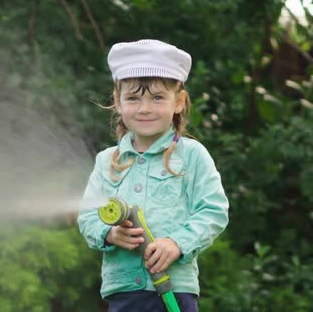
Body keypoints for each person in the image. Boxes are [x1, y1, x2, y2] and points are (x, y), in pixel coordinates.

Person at [77, 39, 229, 312]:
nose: (144, 108)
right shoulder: (106, 162)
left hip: (175, 290)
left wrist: (177, 243)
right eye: (133, 98)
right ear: (118, 102)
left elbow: (214, 211)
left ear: (179, 102)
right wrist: (110, 234)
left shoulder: (192, 156)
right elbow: (87, 217)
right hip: (124, 293)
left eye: (157, 97)